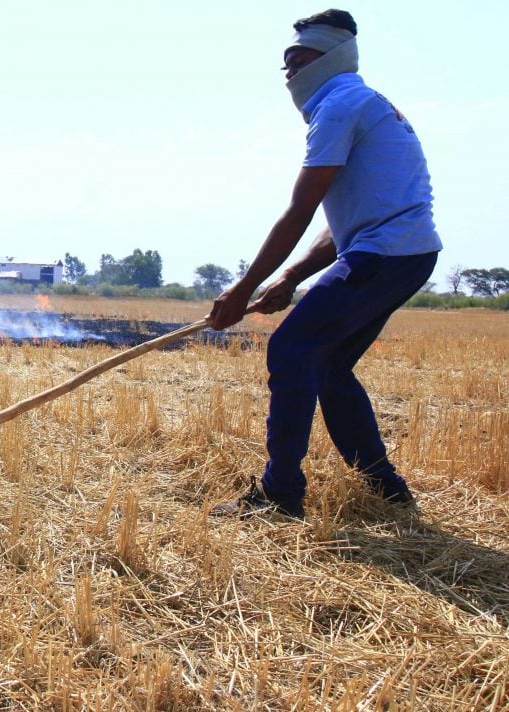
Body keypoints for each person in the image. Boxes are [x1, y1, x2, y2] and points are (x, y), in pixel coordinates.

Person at [207, 9, 442, 519]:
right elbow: (345, 224)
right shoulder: (362, 103)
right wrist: (290, 276)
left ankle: (279, 494)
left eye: (298, 58)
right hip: (404, 253)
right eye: (284, 63)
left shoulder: (339, 105)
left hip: (385, 254)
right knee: (330, 366)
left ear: (331, 56)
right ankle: (385, 486)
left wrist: (244, 289)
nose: (289, 71)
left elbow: (301, 208)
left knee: (291, 348)